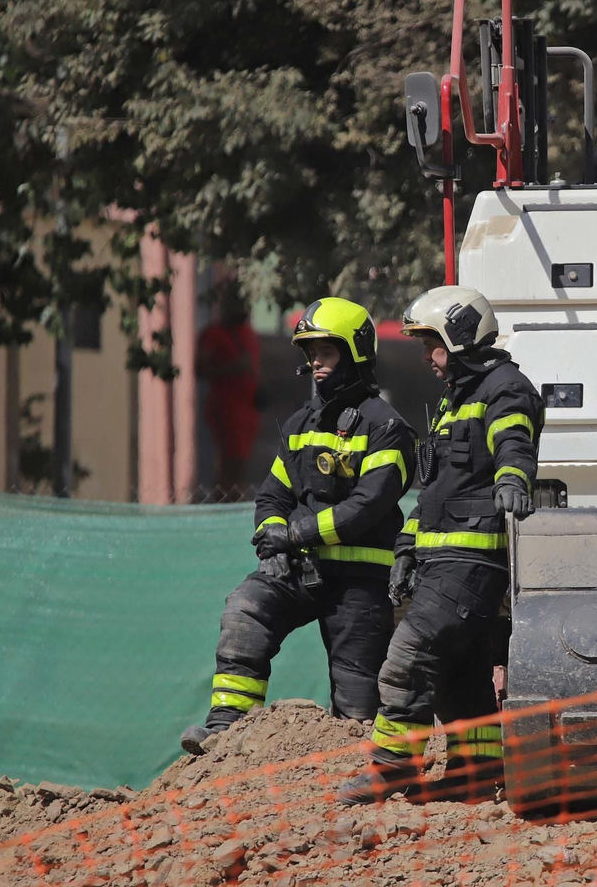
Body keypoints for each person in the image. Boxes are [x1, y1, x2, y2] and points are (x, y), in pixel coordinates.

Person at [179, 297, 417, 755]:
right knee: (245, 611)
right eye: (311, 354)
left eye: (326, 352)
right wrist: (273, 543)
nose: (316, 363)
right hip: (299, 571)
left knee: (358, 709)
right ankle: (225, 730)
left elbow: (366, 507)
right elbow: (273, 496)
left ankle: (354, 770)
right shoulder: (299, 425)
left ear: (355, 353)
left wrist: (293, 535)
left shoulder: (387, 428)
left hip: (361, 582)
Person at [339, 286, 544, 805]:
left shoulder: (505, 388)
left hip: (473, 560)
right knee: (460, 673)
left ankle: (392, 768)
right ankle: (476, 772)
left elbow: (514, 442)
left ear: (459, 336)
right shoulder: (456, 400)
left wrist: (513, 478)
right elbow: (434, 491)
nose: (427, 357)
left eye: (432, 344)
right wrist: (407, 548)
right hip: (443, 559)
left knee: (408, 658)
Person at [196, 284, 262, 500]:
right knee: (229, 465)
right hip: (226, 409)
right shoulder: (213, 334)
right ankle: (225, 504)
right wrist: (231, 368)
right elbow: (200, 369)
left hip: (248, 409)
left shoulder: (249, 334)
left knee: (241, 465)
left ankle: (236, 500)